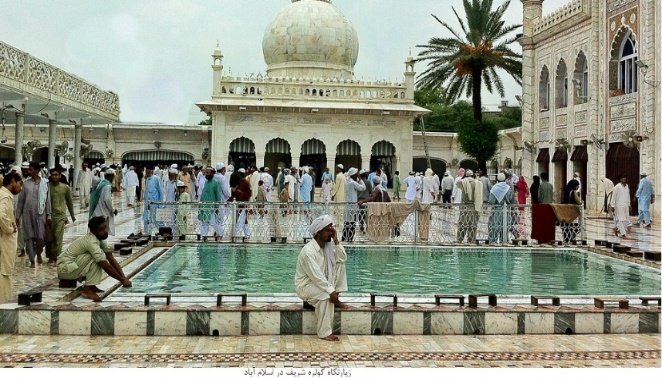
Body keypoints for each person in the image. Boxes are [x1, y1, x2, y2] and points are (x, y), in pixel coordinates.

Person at [295, 215, 349, 341]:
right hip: (306, 287)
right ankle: (324, 333)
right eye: (328, 230)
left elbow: (343, 258)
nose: (331, 232)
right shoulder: (308, 252)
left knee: (340, 264)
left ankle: (335, 296)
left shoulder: (327, 248)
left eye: (332, 230)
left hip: (320, 284)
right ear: (319, 233)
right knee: (326, 295)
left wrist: (336, 240)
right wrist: (331, 291)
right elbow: (316, 277)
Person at [57, 217, 131, 302]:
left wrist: (124, 278)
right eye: (101, 229)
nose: (105, 231)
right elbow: (106, 266)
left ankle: (91, 285)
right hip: (64, 270)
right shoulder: (91, 241)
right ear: (94, 231)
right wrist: (121, 280)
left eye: (105, 228)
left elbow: (111, 258)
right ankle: (87, 290)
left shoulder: (99, 239)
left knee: (99, 256)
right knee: (98, 258)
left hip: (71, 267)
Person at [15, 162, 51, 268]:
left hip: (41, 214)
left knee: (40, 238)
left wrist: (49, 215)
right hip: (27, 214)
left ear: (37, 170)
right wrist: (18, 216)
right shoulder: (25, 184)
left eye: (31, 170)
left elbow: (47, 201)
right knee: (29, 237)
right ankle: (32, 260)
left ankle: (39, 253)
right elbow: (21, 201)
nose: (28, 171)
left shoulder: (45, 183)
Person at [46, 168, 76, 266]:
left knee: (58, 237)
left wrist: (72, 215)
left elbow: (69, 202)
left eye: (56, 175)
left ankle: (57, 256)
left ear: (60, 176)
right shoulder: (47, 187)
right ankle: (50, 256)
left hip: (60, 216)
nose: (54, 177)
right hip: (49, 216)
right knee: (49, 237)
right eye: (52, 175)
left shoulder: (65, 187)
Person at [0, 172, 22, 303]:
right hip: (5, 240)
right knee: (4, 272)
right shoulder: (4, 197)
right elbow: (1, 214)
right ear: (13, 181)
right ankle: (3, 304)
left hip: (5, 240)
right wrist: (9, 228)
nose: (21, 188)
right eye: (20, 184)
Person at [456, 170, 483, 243]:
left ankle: (459, 239)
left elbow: (457, 184)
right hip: (474, 206)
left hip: (464, 207)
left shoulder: (463, 182)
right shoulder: (477, 183)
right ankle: (471, 240)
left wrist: (464, 178)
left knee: (462, 225)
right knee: (473, 226)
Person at [90, 169, 118, 236]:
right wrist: (112, 210)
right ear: (112, 177)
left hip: (96, 211)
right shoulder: (107, 186)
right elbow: (107, 199)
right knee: (102, 231)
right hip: (102, 213)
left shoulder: (101, 184)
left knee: (97, 231)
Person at [199, 167, 224, 240]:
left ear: (212, 173)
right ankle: (204, 236)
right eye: (205, 172)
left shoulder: (216, 183)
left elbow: (218, 196)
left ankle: (221, 232)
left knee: (212, 222)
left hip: (211, 207)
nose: (206, 174)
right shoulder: (206, 182)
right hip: (204, 206)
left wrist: (217, 207)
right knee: (204, 222)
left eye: (208, 172)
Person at [341, 168, 366, 242]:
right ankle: (349, 239)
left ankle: (344, 239)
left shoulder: (348, 182)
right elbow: (363, 188)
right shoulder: (353, 183)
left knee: (347, 224)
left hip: (348, 206)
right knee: (352, 224)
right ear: (354, 175)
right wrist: (360, 178)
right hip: (353, 206)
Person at [487, 173, 512, 244]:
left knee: (494, 226)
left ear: (497, 179)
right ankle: (504, 240)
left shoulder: (494, 188)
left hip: (496, 210)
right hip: (506, 210)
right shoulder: (508, 188)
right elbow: (510, 199)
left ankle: (493, 241)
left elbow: (491, 201)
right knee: (504, 226)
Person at [143, 165, 164, 233]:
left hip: (155, 205)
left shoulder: (156, 179)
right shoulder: (146, 179)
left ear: (152, 171)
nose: (147, 173)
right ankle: (147, 235)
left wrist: (160, 204)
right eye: (146, 171)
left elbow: (161, 191)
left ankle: (164, 233)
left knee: (157, 221)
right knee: (146, 220)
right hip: (147, 205)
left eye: (149, 171)